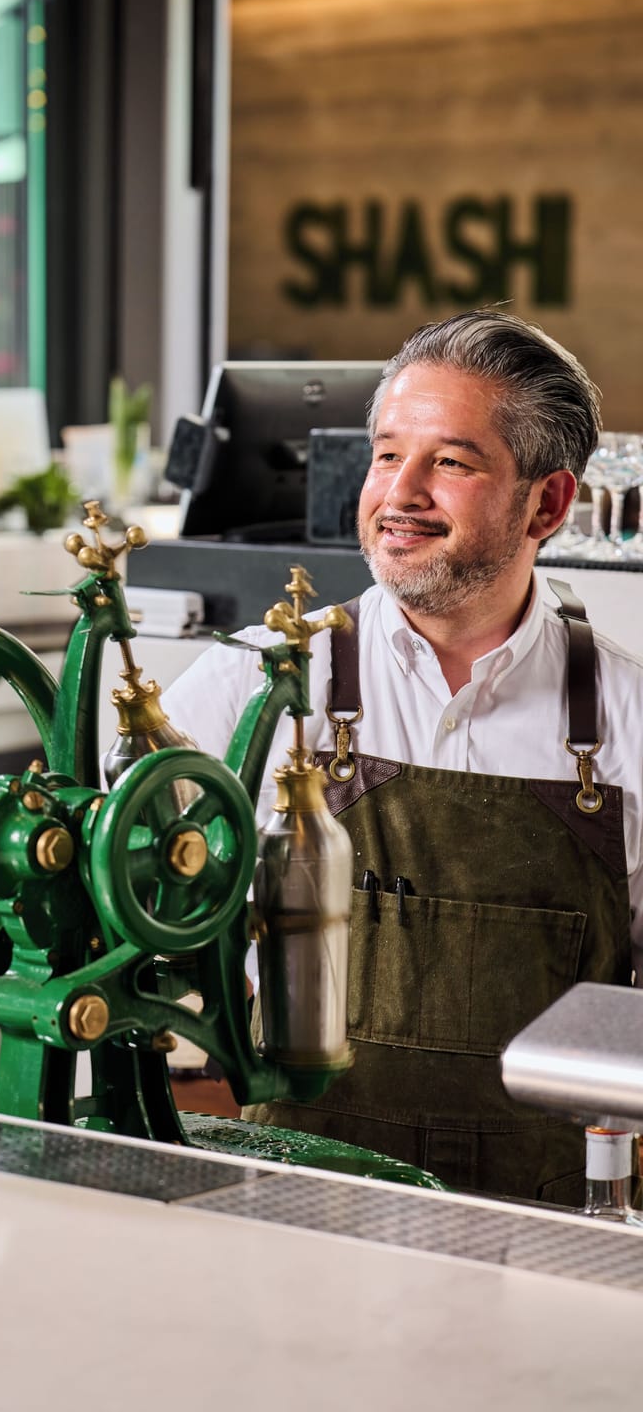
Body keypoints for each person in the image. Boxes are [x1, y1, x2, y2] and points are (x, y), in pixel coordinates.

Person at [161, 308, 643, 1206]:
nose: (400, 493)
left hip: (552, 1224)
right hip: (306, 1205)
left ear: (548, 503)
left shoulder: (630, 720)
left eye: (451, 461)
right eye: (388, 454)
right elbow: (122, 870)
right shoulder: (253, 683)